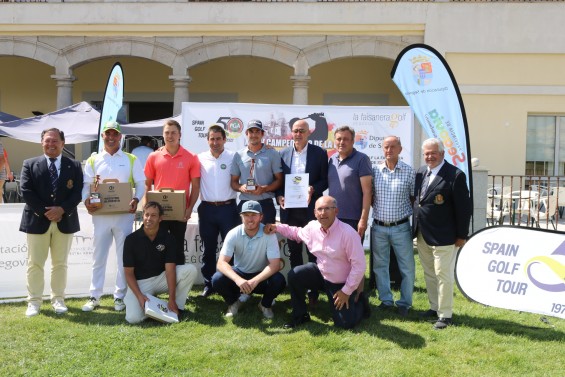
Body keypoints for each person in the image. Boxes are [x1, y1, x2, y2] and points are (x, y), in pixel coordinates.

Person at [265, 196, 370, 329]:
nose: (323, 213)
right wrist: (277, 227)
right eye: (319, 209)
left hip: (340, 283)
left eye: (327, 209)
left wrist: (346, 291)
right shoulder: (312, 227)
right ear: (314, 213)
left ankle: (361, 302)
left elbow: (359, 266)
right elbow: (296, 233)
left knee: (345, 324)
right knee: (295, 274)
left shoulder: (348, 233)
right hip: (321, 274)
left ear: (336, 211)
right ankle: (300, 315)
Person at [81, 121, 146, 312]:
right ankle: (94, 296)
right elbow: (86, 186)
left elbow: (141, 184)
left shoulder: (131, 158)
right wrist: (86, 201)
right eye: (107, 134)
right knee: (98, 256)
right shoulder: (93, 159)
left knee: (122, 258)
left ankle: (120, 297)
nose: (111, 137)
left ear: (120, 137)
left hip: (123, 215)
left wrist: (136, 199)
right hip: (100, 215)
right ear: (102, 136)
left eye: (114, 134)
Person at [19, 128, 83, 317]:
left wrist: (62, 209)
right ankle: (34, 302)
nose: (51, 144)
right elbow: (25, 191)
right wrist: (46, 212)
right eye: (47, 140)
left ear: (63, 143)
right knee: (35, 264)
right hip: (37, 220)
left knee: (60, 264)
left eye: (55, 141)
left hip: (65, 220)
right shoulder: (29, 164)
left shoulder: (74, 165)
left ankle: (58, 299)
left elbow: (78, 191)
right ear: (41, 142)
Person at [413, 138, 472, 330]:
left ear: (442, 154)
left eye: (433, 153)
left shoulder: (455, 175)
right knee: (429, 273)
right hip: (423, 233)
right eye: (426, 153)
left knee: (442, 274)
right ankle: (434, 307)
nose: (429, 157)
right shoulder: (421, 172)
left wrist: (462, 235)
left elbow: (464, 209)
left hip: (445, 235)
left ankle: (445, 314)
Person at [123, 201, 197, 324]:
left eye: (153, 215)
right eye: (146, 215)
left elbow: (170, 270)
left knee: (190, 271)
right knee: (133, 319)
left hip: (160, 279)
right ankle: (150, 306)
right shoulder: (131, 240)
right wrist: (140, 297)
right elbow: (128, 273)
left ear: (160, 218)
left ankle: (175, 307)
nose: (149, 218)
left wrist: (171, 299)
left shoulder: (168, 238)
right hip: (141, 283)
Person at [211, 201, 286, 319]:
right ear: (241, 216)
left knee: (279, 280)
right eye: (246, 215)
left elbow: (275, 265)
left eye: (254, 215)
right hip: (240, 274)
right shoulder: (233, 233)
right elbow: (221, 263)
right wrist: (238, 280)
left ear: (261, 217)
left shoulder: (269, 234)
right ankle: (233, 303)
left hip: (260, 276)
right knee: (217, 279)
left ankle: (265, 305)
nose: (250, 219)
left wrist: (254, 281)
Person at [144, 119, 201, 265]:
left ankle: (179, 284)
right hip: (158, 213)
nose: (170, 136)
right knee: (157, 248)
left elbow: (195, 186)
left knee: (177, 249)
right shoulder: (153, 156)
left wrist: (189, 208)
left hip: (180, 213)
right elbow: (147, 184)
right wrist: (147, 209)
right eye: (167, 133)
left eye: (173, 133)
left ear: (180, 135)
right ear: (163, 135)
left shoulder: (191, 157)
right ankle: (159, 282)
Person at [371, 136, 415, 317]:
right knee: (380, 266)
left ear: (400, 149)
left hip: (401, 227)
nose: (389, 150)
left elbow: (414, 199)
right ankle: (386, 300)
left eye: (392, 147)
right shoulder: (375, 171)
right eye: (386, 147)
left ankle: (405, 302)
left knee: (407, 267)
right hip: (379, 227)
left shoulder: (409, 172)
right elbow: (371, 197)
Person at [277, 118, 328, 269]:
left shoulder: (320, 153)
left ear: (309, 133)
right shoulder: (283, 154)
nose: (298, 134)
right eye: (295, 131)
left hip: (311, 209)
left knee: (313, 249)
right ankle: (297, 285)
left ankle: (313, 287)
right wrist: (279, 196)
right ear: (291, 133)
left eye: (302, 131)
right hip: (290, 210)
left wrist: (313, 189)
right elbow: (278, 181)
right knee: (294, 250)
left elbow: (325, 180)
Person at [197, 125, 240, 298]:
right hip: (207, 209)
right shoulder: (199, 158)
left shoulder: (233, 157)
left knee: (231, 249)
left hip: (228, 208)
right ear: (207, 140)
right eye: (212, 139)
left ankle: (233, 282)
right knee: (208, 249)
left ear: (224, 140)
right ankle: (209, 284)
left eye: (218, 139)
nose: (215, 142)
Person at [230, 119, 283, 224]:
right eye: (251, 132)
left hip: (265, 205)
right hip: (245, 203)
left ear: (262, 134)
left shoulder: (272, 154)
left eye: (257, 131)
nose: (254, 135)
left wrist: (264, 189)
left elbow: (280, 180)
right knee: (243, 238)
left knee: (266, 237)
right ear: (246, 133)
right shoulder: (238, 155)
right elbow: (233, 182)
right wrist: (241, 187)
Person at [327, 125, 372, 239]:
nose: (342, 142)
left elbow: (367, 192)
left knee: (352, 256)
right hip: (333, 218)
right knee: (334, 256)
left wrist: (363, 219)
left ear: (353, 141)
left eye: (346, 139)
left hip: (353, 220)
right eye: (339, 139)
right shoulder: (331, 159)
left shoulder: (362, 159)